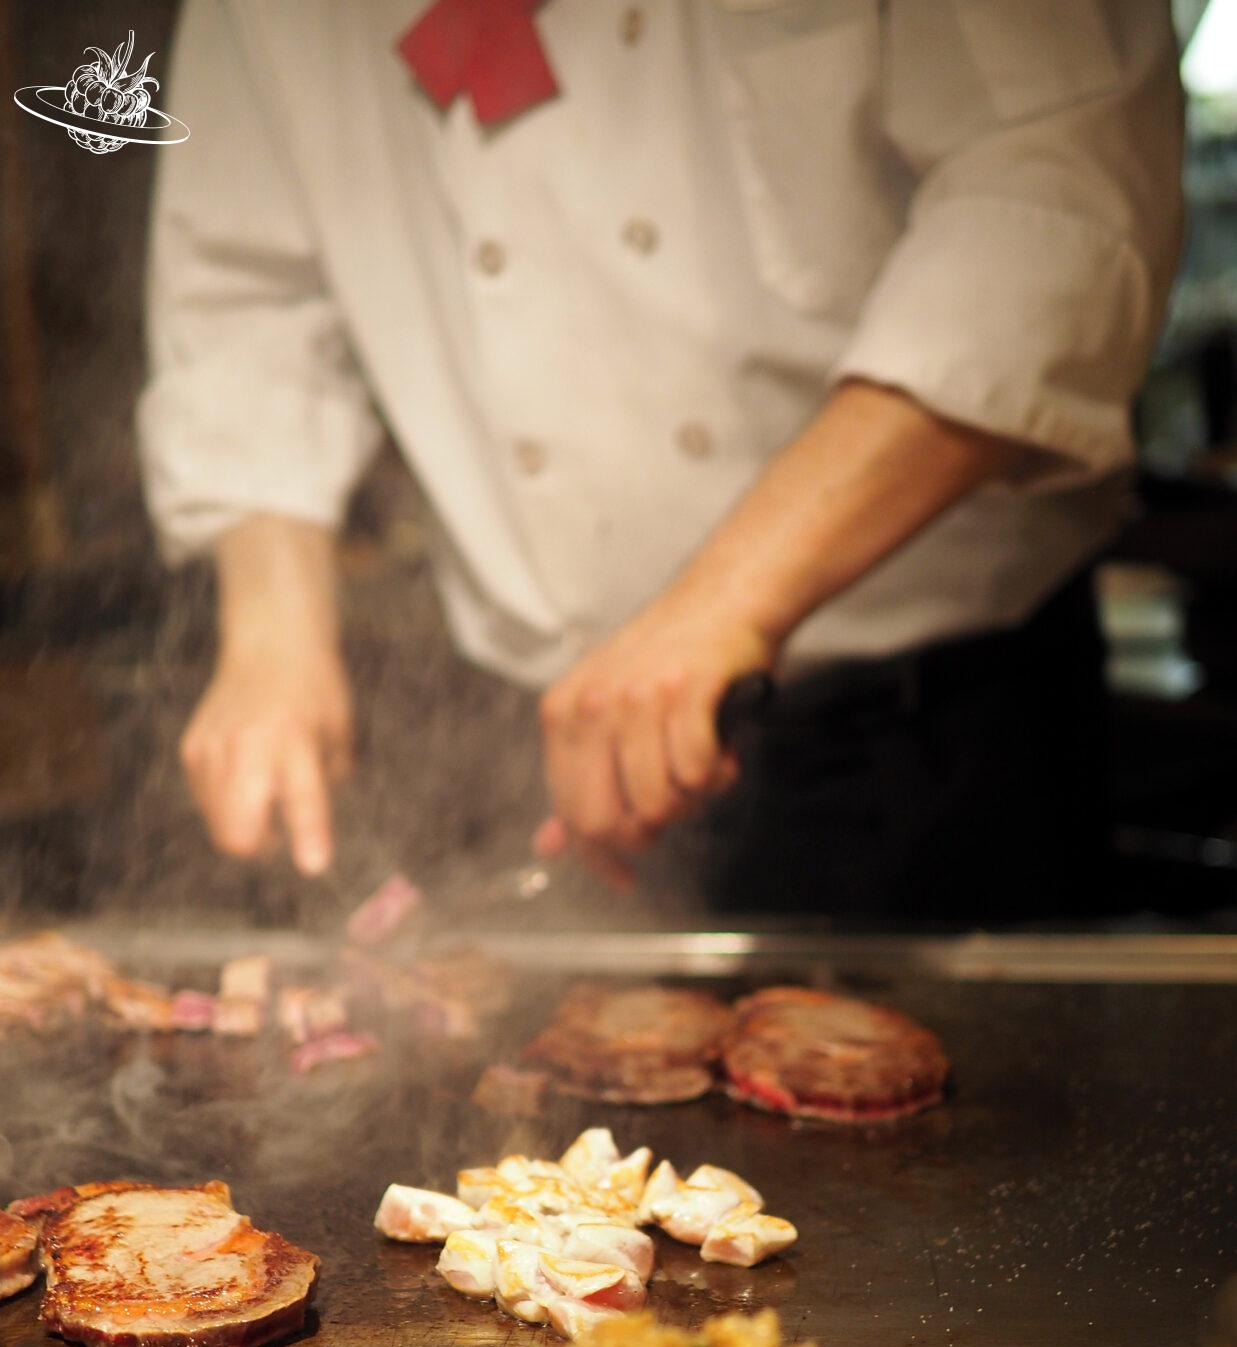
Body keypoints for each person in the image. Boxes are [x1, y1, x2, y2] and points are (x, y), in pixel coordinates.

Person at [139, 0, 1185, 921]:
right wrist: (269, 635)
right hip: (529, 755)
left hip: (924, 742)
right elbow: (246, 292)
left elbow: (1055, 204)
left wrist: (727, 595)